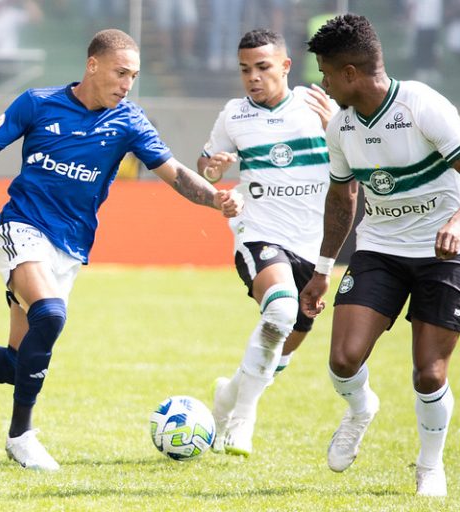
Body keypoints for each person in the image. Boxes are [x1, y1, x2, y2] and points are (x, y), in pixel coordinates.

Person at [0, 29, 243, 472]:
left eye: (134, 76)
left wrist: (215, 198)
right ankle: (20, 436)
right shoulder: (38, 103)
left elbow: (177, 174)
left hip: (69, 248)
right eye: (121, 73)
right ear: (93, 65)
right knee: (50, 315)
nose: (127, 84)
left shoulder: (130, 121)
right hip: (20, 227)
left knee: (15, 362)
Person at [301, 14, 460, 496]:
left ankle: (430, 465)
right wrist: (323, 269)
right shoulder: (341, 127)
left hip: (444, 251)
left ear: (350, 72)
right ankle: (360, 409)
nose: (322, 84)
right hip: (382, 248)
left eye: (326, 73)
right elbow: (342, 199)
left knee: (429, 372)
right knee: (344, 360)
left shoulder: (421, 106)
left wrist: (457, 222)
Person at [199, 28, 336, 457]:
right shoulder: (234, 115)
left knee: (287, 339)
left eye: (262, 67)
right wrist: (214, 171)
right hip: (258, 234)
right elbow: (207, 166)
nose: (252, 77)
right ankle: (242, 420)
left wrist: (339, 129)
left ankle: (229, 397)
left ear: (285, 66)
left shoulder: (320, 109)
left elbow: (359, 168)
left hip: (313, 247)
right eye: (244, 69)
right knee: (279, 309)